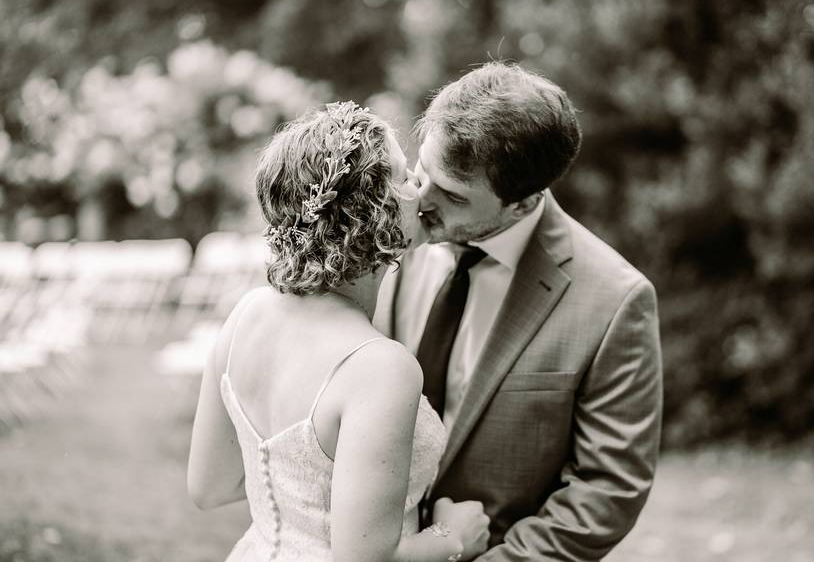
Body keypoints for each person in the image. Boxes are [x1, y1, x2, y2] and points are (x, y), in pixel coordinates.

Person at [374, 63, 663, 561]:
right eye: (425, 169)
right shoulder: (388, 240)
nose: (420, 199)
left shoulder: (615, 301)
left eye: (454, 195)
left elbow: (605, 492)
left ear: (522, 202)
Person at [188, 101, 490, 562]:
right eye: (407, 176)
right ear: (374, 213)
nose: (422, 186)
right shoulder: (379, 367)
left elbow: (209, 485)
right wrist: (454, 536)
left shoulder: (246, 315)